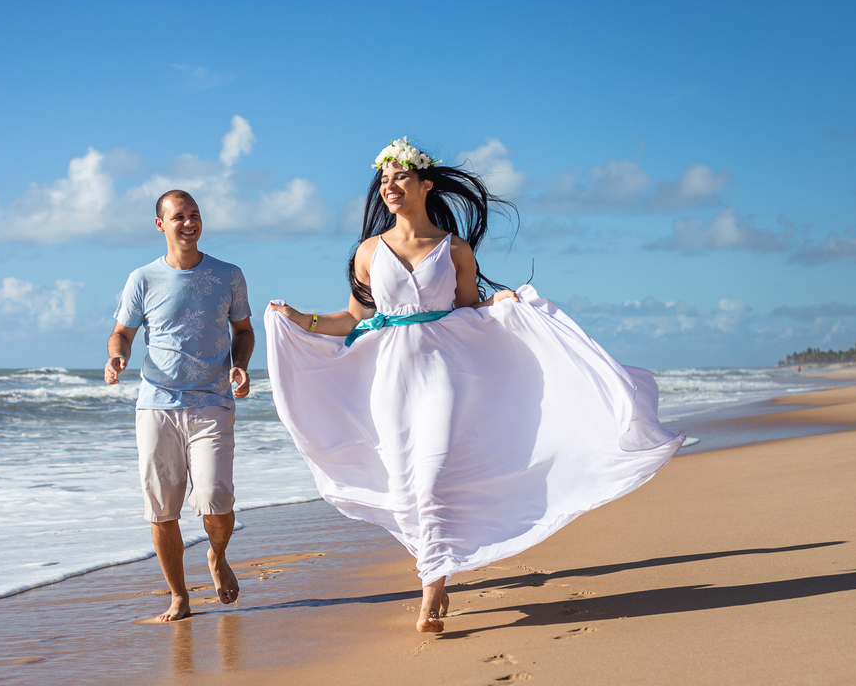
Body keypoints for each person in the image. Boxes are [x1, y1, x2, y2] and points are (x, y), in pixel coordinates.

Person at [266, 137, 683, 633]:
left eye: (400, 177)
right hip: (389, 381)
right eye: (384, 179)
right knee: (406, 485)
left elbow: (467, 311)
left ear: (425, 184)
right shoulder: (368, 253)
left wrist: (503, 304)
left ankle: (430, 589)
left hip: (444, 373)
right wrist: (299, 320)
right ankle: (436, 570)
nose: (390, 186)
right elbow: (355, 318)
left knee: (433, 475)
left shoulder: (454, 248)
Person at [106, 189, 255, 622]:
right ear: (161, 225)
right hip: (156, 405)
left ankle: (217, 554)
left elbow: (243, 331)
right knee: (162, 508)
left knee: (215, 500)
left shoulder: (229, 275)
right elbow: (122, 333)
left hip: (212, 403)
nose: (189, 223)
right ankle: (179, 596)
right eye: (179, 217)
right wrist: (117, 356)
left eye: (195, 215)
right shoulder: (142, 279)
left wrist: (240, 366)